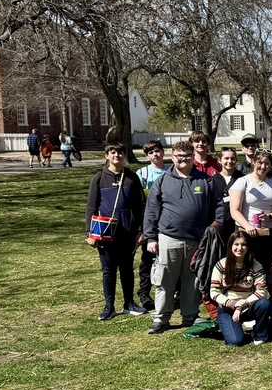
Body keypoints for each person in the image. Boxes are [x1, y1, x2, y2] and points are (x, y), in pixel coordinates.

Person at [143, 140, 224, 334]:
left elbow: (219, 205)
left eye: (187, 156)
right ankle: (161, 318)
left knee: (193, 280)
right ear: (172, 156)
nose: (183, 159)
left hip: (197, 240)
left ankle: (189, 315)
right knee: (165, 280)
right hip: (168, 238)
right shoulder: (163, 181)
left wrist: (215, 225)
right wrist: (151, 237)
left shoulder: (205, 180)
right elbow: (152, 210)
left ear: (192, 157)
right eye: (179, 156)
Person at [86, 142, 146, 320]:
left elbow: (141, 206)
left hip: (128, 232)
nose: (117, 155)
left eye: (120, 152)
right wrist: (90, 233)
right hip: (106, 234)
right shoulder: (99, 178)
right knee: (108, 271)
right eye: (113, 152)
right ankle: (109, 306)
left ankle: (129, 303)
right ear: (107, 156)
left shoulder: (132, 178)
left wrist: (141, 230)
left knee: (127, 269)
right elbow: (91, 206)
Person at [229, 149, 272, 273]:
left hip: (268, 232)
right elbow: (234, 211)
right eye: (260, 163)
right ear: (253, 163)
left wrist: (270, 217)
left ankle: (264, 290)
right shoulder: (242, 182)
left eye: (266, 163)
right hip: (246, 231)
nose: (263, 166)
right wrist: (247, 226)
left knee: (266, 264)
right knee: (246, 263)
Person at [210, 231, 271, 346]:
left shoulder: (256, 265)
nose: (240, 248)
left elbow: (262, 291)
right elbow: (214, 292)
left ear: (248, 247)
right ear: (230, 246)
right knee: (235, 341)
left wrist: (243, 305)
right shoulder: (221, 265)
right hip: (228, 309)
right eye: (236, 244)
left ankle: (259, 334)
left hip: (249, 306)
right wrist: (232, 304)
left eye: (244, 244)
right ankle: (227, 325)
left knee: (264, 303)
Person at [136, 140, 169, 310]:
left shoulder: (171, 171)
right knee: (148, 260)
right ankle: (144, 292)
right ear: (147, 156)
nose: (155, 155)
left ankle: (172, 292)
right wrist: (141, 230)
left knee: (169, 260)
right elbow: (137, 204)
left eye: (158, 151)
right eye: (151, 152)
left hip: (169, 222)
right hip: (150, 223)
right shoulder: (142, 174)